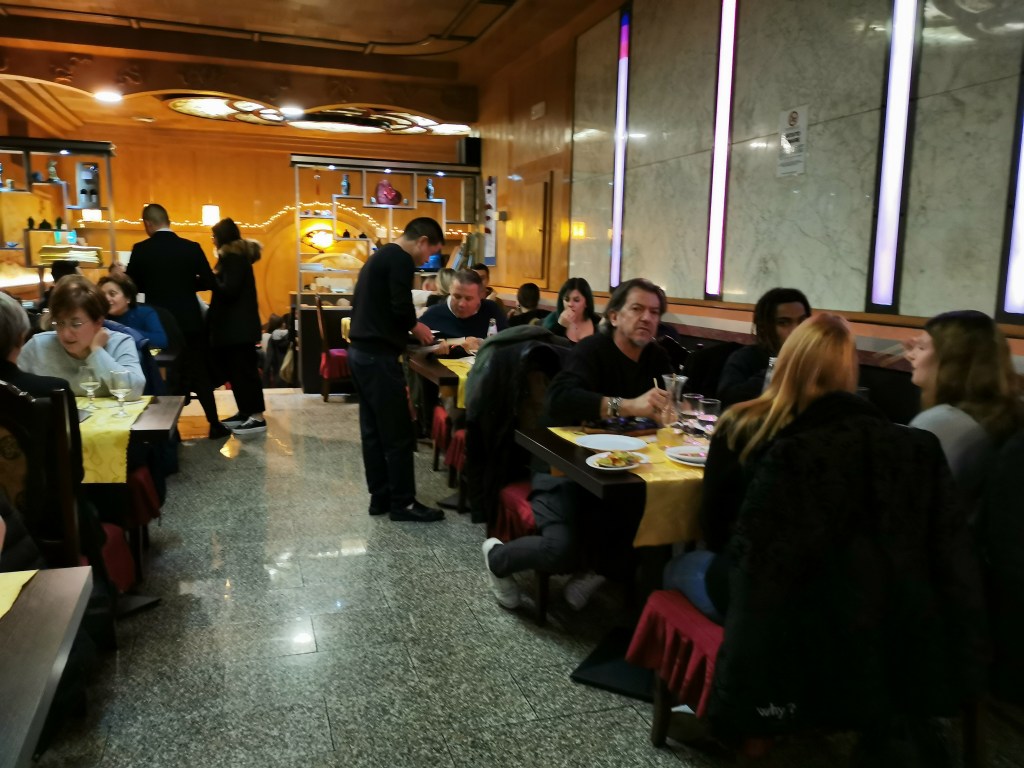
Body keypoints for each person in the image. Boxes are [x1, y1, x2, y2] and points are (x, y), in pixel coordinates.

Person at [666, 315, 986, 760]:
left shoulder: (745, 425)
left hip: (774, 610)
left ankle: (691, 701)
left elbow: (717, 530)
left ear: (786, 363)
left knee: (679, 566)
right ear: (850, 371)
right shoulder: (909, 444)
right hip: (877, 613)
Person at [482, 278, 672, 609]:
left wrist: (672, 411)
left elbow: (670, 406)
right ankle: (497, 557)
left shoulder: (656, 358)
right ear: (614, 316)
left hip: (623, 468)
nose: (647, 318)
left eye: (654, 312)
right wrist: (629, 405)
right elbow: (561, 399)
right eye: (637, 309)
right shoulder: (592, 350)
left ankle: (598, 573)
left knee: (657, 528)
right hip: (563, 466)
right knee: (561, 550)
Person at [348, 217, 445, 523]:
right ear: (422, 241)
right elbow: (401, 307)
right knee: (399, 433)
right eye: (430, 253)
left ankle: (380, 497)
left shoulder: (380, 256)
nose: (426, 260)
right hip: (377, 358)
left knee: (373, 432)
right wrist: (417, 327)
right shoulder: (401, 259)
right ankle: (403, 503)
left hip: (360, 354)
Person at [123, 203, 225, 438]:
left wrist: (153, 286)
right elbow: (210, 282)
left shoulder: (141, 249)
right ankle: (214, 423)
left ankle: (171, 431)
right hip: (190, 321)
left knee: (166, 374)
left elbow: (130, 286)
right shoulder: (191, 248)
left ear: (148, 224)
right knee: (198, 371)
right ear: (168, 221)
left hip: (159, 323)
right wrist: (187, 285)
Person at [905, 309, 1023, 503]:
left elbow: (905, 496)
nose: (910, 356)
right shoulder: (1000, 415)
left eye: (921, 347)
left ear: (953, 360)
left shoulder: (942, 422)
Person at [19, 275, 145, 400]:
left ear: (98, 322)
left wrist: (97, 351)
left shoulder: (120, 343)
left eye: (76, 324)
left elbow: (134, 391)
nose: (66, 334)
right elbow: (10, 388)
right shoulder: (37, 346)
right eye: (60, 323)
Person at [208, 218, 266, 435]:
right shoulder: (234, 258)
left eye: (214, 236)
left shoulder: (233, 259)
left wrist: (211, 279)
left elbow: (229, 290)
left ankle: (257, 416)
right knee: (237, 373)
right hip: (236, 329)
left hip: (238, 329)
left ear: (222, 237)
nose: (213, 240)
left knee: (245, 373)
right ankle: (245, 411)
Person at [717, 287, 810, 406]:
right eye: (783, 323)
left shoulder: (816, 359)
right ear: (764, 327)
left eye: (802, 321)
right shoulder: (745, 358)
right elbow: (728, 401)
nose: (796, 329)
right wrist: (779, 369)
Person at [419, 269, 507, 355]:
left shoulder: (491, 309)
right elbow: (415, 346)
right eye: (457, 297)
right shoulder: (433, 314)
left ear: (481, 296)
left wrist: (480, 343)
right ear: (450, 291)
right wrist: (437, 346)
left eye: (468, 299)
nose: (462, 304)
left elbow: (507, 342)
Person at [97, 273, 168, 350]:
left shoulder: (145, 313)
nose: (106, 299)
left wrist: (125, 330)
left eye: (112, 294)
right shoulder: (101, 317)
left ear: (128, 298)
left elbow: (161, 341)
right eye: (103, 295)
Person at [542, 277, 599, 343]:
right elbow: (545, 345)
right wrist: (560, 326)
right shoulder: (552, 320)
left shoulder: (597, 323)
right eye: (566, 299)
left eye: (576, 300)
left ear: (587, 303)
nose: (570, 304)